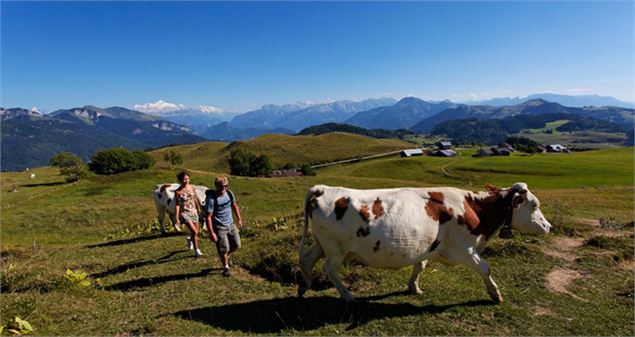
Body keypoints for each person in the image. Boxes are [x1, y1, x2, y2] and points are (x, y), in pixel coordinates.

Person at [205, 175, 243, 277]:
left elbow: (234, 205)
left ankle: (227, 256)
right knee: (224, 248)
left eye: (226, 186)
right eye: (221, 186)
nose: (224, 189)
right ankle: (226, 267)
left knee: (237, 245)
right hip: (219, 227)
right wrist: (211, 232)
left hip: (231, 224)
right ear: (216, 186)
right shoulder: (211, 199)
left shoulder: (229, 194)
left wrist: (239, 219)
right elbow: (208, 217)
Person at [174, 171, 204, 257]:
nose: (187, 181)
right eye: (184, 179)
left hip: (193, 211)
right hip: (185, 213)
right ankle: (197, 250)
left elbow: (194, 199)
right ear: (180, 180)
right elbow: (177, 204)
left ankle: (190, 240)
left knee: (196, 232)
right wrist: (176, 217)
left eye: (188, 179)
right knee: (194, 231)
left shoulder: (191, 188)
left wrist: (198, 208)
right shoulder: (178, 192)